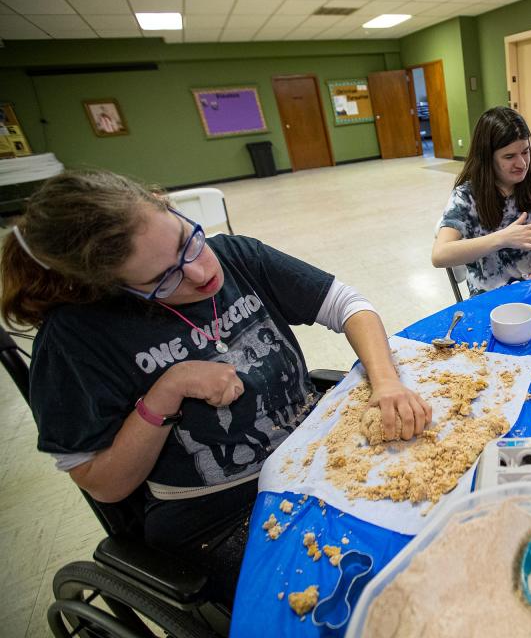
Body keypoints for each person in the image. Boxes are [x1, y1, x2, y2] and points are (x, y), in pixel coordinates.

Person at [0, 170, 432, 606]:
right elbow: (104, 484)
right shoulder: (75, 339)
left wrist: (386, 381)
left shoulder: (235, 256)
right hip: (222, 518)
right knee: (365, 596)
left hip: (319, 462)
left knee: (433, 527)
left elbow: (347, 305)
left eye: (187, 240)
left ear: (166, 204)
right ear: (112, 288)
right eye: (163, 278)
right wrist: (166, 392)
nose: (201, 270)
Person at [432, 106, 531, 295]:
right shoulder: (467, 197)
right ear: (487, 158)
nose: (522, 163)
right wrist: (502, 239)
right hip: (491, 300)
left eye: (525, 152)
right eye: (509, 156)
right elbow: (439, 255)